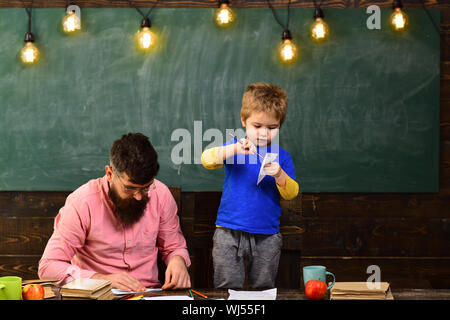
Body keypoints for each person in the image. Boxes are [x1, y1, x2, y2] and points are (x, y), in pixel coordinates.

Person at [38, 133, 191, 292]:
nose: (138, 197)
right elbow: (48, 266)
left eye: (146, 187)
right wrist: (101, 280)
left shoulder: (161, 194)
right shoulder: (82, 202)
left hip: (148, 294)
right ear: (110, 174)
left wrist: (177, 259)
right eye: (130, 188)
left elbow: (174, 247)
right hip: (99, 295)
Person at [201, 82, 299, 289]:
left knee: (264, 287)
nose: (264, 133)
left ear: (280, 125)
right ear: (244, 120)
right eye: (257, 126)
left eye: (272, 127)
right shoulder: (235, 148)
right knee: (226, 287)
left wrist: (280, 175)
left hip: (267, 235)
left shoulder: (282, 157)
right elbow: (207, 159)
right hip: (228, 231)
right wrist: (234, 149)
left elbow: (292, 193)